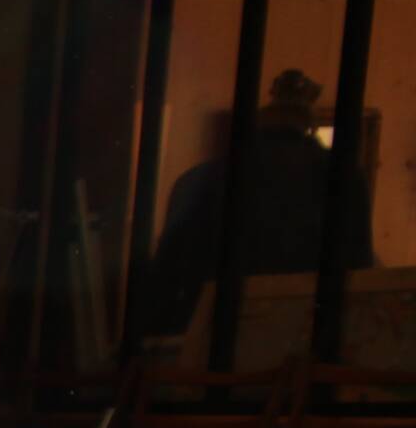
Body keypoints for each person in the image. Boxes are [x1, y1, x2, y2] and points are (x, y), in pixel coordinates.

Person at [137, 66, 375, 343]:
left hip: (214, 345)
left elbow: (165, 278)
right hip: (305, 347)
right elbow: (359, 278)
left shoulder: (203, 179)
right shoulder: (342, 179)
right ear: (308, 124)